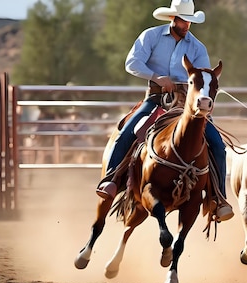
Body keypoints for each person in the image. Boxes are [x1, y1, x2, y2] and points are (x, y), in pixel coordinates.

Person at [96, 0, 234, 221]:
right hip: (156, 98)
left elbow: (203, 77)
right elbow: (132, 62)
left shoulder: (197, 48)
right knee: (130, 130)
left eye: (189, 20)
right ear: (173, 18)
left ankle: (218, 198)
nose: (187, 24)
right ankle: (111, 180)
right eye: (183, 19)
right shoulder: (151, 36)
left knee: (217, 144)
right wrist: (156, 77)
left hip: (187, 104)